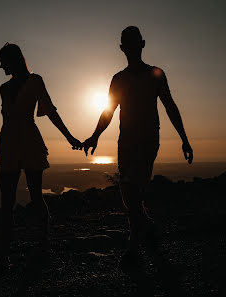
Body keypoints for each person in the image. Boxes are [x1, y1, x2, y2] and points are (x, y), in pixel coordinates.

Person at [82, 26, 193, 266]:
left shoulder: (156, 74)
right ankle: (149, 227)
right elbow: (108, 111)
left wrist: (184, 139)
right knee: (128, 192)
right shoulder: (118, 79)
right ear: (122, 48)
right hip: (127, 141)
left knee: (133, 191)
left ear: (142, 44)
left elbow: (170, 106)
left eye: (134, 44)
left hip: (148, 139)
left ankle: (134, 248)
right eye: (127, 44)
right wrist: (95, 136)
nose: (131, 48)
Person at [0, 43, 81, 263]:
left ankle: (42, 241)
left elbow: (50, 111)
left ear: (14, 59)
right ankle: (5, 249)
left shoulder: (35, 81)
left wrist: (69, 137)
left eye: (3, 61)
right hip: (8, 143)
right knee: (7, 198)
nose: (0, 66)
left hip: (29, 142)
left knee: (35, 195)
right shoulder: (3, 88)